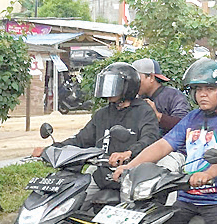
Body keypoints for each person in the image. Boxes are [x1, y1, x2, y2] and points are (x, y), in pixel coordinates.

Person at [113, 59, 217, 224]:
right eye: (198, 89)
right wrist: (129, 167)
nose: (202, 94)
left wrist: (208, 174)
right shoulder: (192, 118)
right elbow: (163, 145)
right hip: (188, 197)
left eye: (209, 89)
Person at [32, 63, 161, 174]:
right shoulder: (103, 114)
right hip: (102, 173)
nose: (108, 89)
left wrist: (128, 153)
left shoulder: (144, 112)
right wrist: (52, 149)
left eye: (114, 84)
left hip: (131, 173)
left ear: (128, 86)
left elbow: (150, 138)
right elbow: (81, 140)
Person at [134, 58, 192, 132]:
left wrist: (157, 115)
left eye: (137, 77)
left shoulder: (174, 95)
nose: (134, 82)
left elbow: (184, 124)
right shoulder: (136, 98)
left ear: (151, 77)